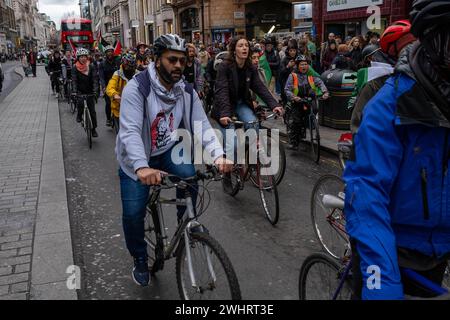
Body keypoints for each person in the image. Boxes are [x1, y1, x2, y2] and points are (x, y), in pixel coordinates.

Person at [344, 0, 450, 300]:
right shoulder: (387, 99)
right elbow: (366, 190)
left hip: (437, 249)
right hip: (393, 247)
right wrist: (382, 286)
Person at [115, 34, 233, 287]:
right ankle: (138, 258)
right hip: (137, 159)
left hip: (167, 148)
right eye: (172, 60)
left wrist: (219, 155)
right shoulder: (138, 88)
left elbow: (201, 124)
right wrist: (141, 166)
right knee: (134, 213)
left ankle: (187, 226)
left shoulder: (186, 91)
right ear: (157, 60)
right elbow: (130, 131)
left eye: (182, 60)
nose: (178, 65)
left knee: (189, 175)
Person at [212, 36, 283, 165]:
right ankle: (227, 176)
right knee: (232, 144)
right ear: (234, 50)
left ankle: (250, 157)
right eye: (240, 45)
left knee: (253, 124)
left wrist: (274, 105)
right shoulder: (225, 66)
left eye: (246, 45)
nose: (244, 48)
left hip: (241, 103)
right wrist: (225, 114)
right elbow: (222, 91)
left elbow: (260, 88)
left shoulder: (250, 67)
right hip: (224, 107)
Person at [349, 20, 417, 135]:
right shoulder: (376, 84)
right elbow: (358, 125)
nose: (410, 52)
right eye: (405, 47)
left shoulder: (428, 80)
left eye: (414, 45)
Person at [284, 55, 329, 151]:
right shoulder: (292, 76)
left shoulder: (311, 76)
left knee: (315, 109)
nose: (304, 66)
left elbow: (320, 83)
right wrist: (294, 97)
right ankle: (294, 142)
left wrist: (325, 92)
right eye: (301, 64)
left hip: (309, 100)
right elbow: (287, 89)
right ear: (297, 66)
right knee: (296, 121)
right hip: (297, 101)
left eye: (305, 64)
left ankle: (308, 124)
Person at [106, 53, 137, 133]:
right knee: (121, 134)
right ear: (123, 64)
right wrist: (115, 95)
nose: (129, 68)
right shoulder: (117, 74)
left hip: (134, 107)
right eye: (127, 66)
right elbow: (110, 87)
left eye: (131, 66)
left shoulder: (137, 74)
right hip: (119, 108)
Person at [71, 48, 99, 137]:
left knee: (92, 111)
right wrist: (75, 91)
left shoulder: (91, 66)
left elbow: (95, 79)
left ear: (87, 57)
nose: (83, 58)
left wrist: (95, 90)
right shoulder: (75, 67)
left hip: (90, 90)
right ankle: (79, 115)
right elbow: (74, 80)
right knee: (80, 103)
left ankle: (94, 129)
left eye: (84, 57)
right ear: (78, 58)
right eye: (81, 57)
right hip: (80, 90)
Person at [99, 46, 120, 127]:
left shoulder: (117, 62)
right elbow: (101, 77)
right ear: (105, 53)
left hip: (117, 84)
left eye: (111, 51)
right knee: (108, 103)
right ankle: (108, 119)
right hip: (108, 86)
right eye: (108, 52)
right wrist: (103, 87)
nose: (110, 53)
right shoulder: (102, 64)